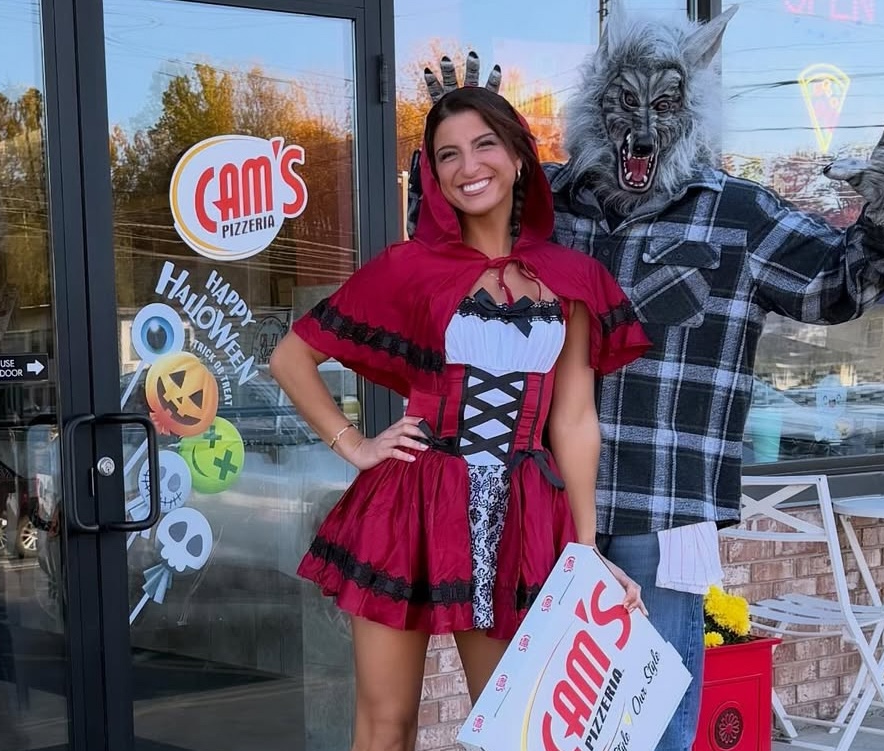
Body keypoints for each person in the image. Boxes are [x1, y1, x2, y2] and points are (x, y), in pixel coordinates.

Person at [407, 6, 884, 750]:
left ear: (690, 111)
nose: (640, 125)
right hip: (534, 501)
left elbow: (835, 286)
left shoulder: (740, 214)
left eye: (662, 103)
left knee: (652, 715)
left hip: (662, 511)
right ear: (595, 109)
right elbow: (446, 261)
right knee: (530, 715)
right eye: (622, 102)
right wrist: (461, 151)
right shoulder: (543, 205)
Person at [269, 86, 651, 751]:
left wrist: (585, 549)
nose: (467, 165)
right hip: (409, 506)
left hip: (522, 517)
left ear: (518, 158)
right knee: (386, 727)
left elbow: (574, 419)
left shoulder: (572, 277)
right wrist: (354, 444)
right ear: (433, 175)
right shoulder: (409, 269)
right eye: (447, 154)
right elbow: (291, 357)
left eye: (483, 145)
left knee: (519, 732)